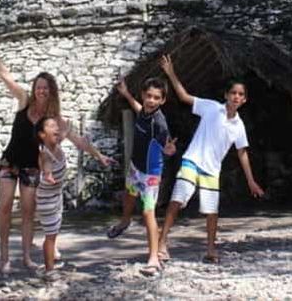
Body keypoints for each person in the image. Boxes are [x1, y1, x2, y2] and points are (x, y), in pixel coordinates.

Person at [157, 54, 265, 264]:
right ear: (226, 95)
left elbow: (242, 152)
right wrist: (171, 73)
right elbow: (184, 97)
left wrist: (251, 181)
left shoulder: (239, 126)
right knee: (177, 199)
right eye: (233, 93)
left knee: (212, 211)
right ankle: (162, 242)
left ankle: (210, 249)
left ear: (244, 99)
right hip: (192, 161)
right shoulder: (212, 107)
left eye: (240, 94)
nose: (236, 97)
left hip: (212, 169)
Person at [0, 31, 58, 274]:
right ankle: (4, 257)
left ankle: (26, 257)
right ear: (34, 89)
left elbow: (48, 149)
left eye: (45, 88)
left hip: (31, 167)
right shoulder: (24, 100)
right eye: (39, 87)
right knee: (4, 207)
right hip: (10, 162)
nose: (41, 91)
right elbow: (5, 76)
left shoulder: (51, 117)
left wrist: (48, 170)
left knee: (28, 212)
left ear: (51, 91)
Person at [106, 77, 176, 276]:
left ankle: (154, 258)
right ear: (143, 95)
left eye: (156, 98)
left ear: (163, 100)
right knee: (129, 194)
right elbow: (138, 109)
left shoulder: (159, 123)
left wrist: (169, 149)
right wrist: (126, 94)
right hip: (135, 167)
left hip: (151, 175)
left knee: (148, 213)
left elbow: (166, 145)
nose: (151, 100)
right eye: (148, 96)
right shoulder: (145, 111)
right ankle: (125, 221)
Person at [35, 115, 112, 281]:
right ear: (42, 135)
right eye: (50, 126)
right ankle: (49, 270)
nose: (56, 128)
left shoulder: (56, 144)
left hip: (56, 195)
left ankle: (49, 263)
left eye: (56, 126)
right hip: (46, 198)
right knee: (50, 234)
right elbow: (46, 163)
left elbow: (77, 141)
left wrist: (99, 156)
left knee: (53, 232)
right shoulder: (44, 153)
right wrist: (47, 174)